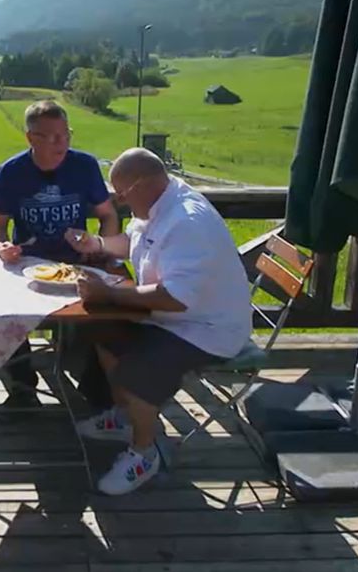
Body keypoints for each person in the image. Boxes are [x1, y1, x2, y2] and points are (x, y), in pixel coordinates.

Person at [64, 148, 251, 496]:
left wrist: (109, 294)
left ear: (142, 184)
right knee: (101, 330)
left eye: (121, 193)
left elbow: (174, 297)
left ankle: (145, 454)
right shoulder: (157, 204)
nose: (118, 201)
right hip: (173, 318)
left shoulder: (187, 221)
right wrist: (97, 243)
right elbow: (131, 239)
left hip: (207, 329)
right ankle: (125, 417)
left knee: (137, 367)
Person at [0, 99, 120, 407]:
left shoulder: (84, 166)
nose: (63, 142)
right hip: (27, 265)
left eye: (66, 134)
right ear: (32, 138)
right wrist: (2, 245)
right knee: (5, 313)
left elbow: (109, 215)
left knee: (106, 317)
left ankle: (96, 394)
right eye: (54, 136)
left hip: (76, 264)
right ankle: (22, 389)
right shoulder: (10, 172)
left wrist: (102, 249)